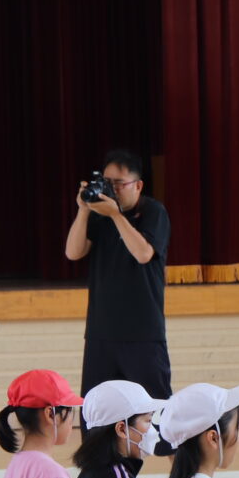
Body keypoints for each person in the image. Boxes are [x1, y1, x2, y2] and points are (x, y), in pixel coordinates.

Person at [64, 148, 173, 399]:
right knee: (97, 409)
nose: (112, 189)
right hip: (101, 332)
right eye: (107, 182)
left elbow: (143, 254)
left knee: (152, 407)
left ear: (138, 185)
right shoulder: (98, 215)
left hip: (143, 333)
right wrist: (83, 209)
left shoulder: (153, 212)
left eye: (119, 184)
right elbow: (73, 252)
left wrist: (115, 214)